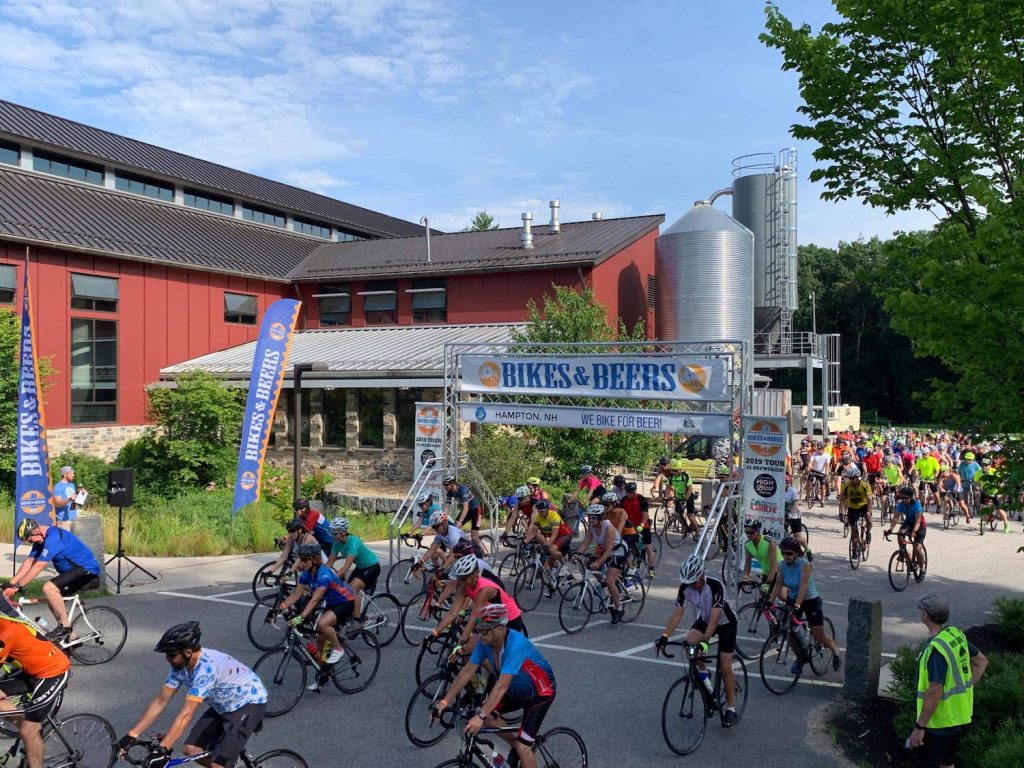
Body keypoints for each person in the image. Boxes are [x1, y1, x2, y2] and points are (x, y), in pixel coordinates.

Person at [117, 622, 267, 768]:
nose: (167, 659)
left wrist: (163, 749)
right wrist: (132, 735)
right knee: (191, 750)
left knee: (218, 764)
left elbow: (187, 713)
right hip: (223, 705)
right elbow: (160, 702)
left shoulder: (206, 669)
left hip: (249, 703)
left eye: (171, 654)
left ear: (188, 652)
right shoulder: (179, 667)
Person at [434, 605, 555, 768]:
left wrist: (481, 716)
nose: (480, 635)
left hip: (541, 693)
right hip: (515, 690)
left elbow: (502, 685)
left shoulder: (515, 644)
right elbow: (467, 671)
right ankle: (515, 747)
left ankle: (522, 749)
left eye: (484, 631)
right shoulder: (485, 644)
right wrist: (445, 701)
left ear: (499, 628)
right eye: (478, 630)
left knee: (523, 746)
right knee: (486, 716)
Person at [655, 554, 739, 727]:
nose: (690, 586)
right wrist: (664, 637)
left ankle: (731, 707)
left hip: (725, 622)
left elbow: (715, 619)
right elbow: (677, 614)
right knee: (689, 644)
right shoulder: (685, 588)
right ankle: (704, 674)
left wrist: (705, 641)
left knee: (724, 665)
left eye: (693, 582)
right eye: (687, 583)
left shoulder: (715, 586)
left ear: (701, 576)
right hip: (706, 619)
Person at [906, 594, 988, 768]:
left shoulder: (936, 649)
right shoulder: (954, 634)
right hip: (957, 718)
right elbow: (981, 661)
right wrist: (967, 686)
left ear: (925, 615)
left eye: (921, 610)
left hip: (937, 723)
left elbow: (934, 692)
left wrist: (919, 727)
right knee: (947, 764)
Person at [4, 519, 100, 639]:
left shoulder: (53, 537)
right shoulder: (40, 540)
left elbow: (39, 565)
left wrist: (18, 587)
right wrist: (10, 583)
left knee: (49, 588)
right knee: (52, 601)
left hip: (87, 569)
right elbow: (30, 561)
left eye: (29, 539)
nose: (30, 542)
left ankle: (65, 626)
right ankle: (72, 637)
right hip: (72, 572)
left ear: (36, 531)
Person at [0, 615, 70, 768]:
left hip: (53, 672)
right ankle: (30, 728)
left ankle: (31, 733)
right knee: (28, 728)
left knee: (28, 732)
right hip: (31, 669)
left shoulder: (6, 631)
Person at [278, 543, 356, 681]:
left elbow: (314, 600)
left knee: (322, 623)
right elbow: (296, 594)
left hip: (346, 601)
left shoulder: (324, 574)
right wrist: (281, 607)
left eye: (304, 560)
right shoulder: (306, 573)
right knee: (320, 640)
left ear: (314, 560)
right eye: (300, 559)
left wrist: (301, 617)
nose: (300, 564)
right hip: (332, 603)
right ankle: (323, 673)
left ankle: (338, 649)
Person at [768, 537, 842, 674]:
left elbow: (803, 587)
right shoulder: (782, 565)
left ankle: (835, 650)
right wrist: (770, 602)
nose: (786, 556)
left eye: (789, 553)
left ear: (796, 553)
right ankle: (801, 658)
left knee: (820, 637)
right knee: (788, 631)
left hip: (810, 600)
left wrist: (797, 606)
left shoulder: (804, 565)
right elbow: (778, 584)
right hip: (793, 598)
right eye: (783, 553)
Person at [429, 554, 527, 648]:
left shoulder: (485, 589)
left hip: (509, 619)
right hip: (491, 617)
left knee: (491, 653)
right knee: (467, 650)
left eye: (463, 578)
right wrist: (436, 632)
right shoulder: (465, 586)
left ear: (474, 575)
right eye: (459, 578)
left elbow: (473, 619)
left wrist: (459, 645)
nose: (460, 582)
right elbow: (452, 613)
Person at [573, 503, 626, 623]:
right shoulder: (591, 527)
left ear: (601, 517)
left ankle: (619, 607)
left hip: (618, 551)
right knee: (587, 562)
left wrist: (598, 563)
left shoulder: (609, 527)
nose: (591, 520)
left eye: (593, 517)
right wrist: (576, 555)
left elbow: (608, 549)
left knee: (610, 581)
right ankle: (602, 581)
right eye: (590, 517)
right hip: (606, 551)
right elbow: (585, 544)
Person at [325, 518, 380, 623]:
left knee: (351, 590)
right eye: (332, 533)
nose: (332, 536)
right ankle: (358, 614)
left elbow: (346, 567)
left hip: (372, 566)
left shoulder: (353, 541)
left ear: (343, 532)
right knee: (345, 592)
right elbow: (329, 562)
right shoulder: (336, 543)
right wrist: (320, 574)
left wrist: (332, 578)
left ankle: (357, 621)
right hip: (360, 568)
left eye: (335, 533)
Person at [885, 486, 927, 575]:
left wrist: (914, 531)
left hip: (919, 525)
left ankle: (922, 568)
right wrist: (890, 529)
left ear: (911, 497)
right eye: (902, 497)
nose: (904, 500)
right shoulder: (901, 504)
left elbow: (918, 521)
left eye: (906, 498)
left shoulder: (917, 505)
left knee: (917, 548)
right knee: (900, 533)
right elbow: (896, 517)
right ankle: (903, 552)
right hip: (908, 523)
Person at [444, 473, 486, 555]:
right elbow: (446, 507)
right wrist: (442, 517)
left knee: (474, 536)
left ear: (453, 483)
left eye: (446, 485)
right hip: (467, 511)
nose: (445, 487)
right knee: (453, 528)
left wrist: (460, 521)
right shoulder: (449, 492)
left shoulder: (463, 490)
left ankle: (484, 553)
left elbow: (466, 507)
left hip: (475, 510)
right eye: (444, 485)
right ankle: (458, 550)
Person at [621, 481, 656, 577]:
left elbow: (645, 514)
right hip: (630, 527)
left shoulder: (641, 499)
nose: (628, 494)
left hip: (643, 526)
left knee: (648, 547)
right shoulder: (623, 500)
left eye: (630, 492)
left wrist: (641, 525)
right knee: (631, 547)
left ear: (634, 491)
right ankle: (636, 561)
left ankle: (651, 569)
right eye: (627, 492)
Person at [524, 500, 572, 565]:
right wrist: (525, 541)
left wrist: (547, 544)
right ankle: (552, 572)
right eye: (538, 511)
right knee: (548, 563)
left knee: (552, 549)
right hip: (554, 536)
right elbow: (533, 532)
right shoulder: (538, 517)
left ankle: (564, 566)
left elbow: (554, 534)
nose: (540, 513)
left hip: (564, 535)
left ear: (547, 509)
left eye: (542, 511)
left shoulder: (554, 515)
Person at [838, 467, 873, 548]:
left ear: (857, 478)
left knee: (869, 521)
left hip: (863, 506)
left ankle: (868, 533)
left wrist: (868, 511)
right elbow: (842, 500)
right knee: (854, 530)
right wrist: (842, 513)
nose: (851, 480)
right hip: (852, 508)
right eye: (850, 478)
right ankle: (854, 548)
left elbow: (869, 499)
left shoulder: (865, 485)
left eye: (853, 478)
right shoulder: (845, 486)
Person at [666, 459, 700, 540]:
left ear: (680, 469)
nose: (674, 472)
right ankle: (685, 528)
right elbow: (667, 488)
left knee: (690, 515)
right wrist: (666, 497)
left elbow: (690, 489)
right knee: (679, 514)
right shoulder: (671, 477)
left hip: (688, 496)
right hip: (678, 496)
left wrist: (685, 499)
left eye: (676, 470)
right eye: (673, 470)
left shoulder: (685, 476)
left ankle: (697, 532)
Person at [741, 519, 779, 587]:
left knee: (781, 595)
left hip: (779, 571)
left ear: (758, 531)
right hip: (766, 572)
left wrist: (768, 583)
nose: (748, 535)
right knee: (763, 596)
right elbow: (747, 562)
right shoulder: (747, 544)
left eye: (751, 532)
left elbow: (774, 565)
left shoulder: (769, 542)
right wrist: (746, 576)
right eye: (746, 532)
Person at [51, 466, 84, 531]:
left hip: (73, 518)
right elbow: (57, 504)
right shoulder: (58, 487)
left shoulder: (72, 485)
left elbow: (74, 500)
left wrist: (81, 494)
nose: (73, 475)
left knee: (73, 540)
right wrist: (69, 499)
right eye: (71, 473)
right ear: (65, 475)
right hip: (63, 521)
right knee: (65, 541)